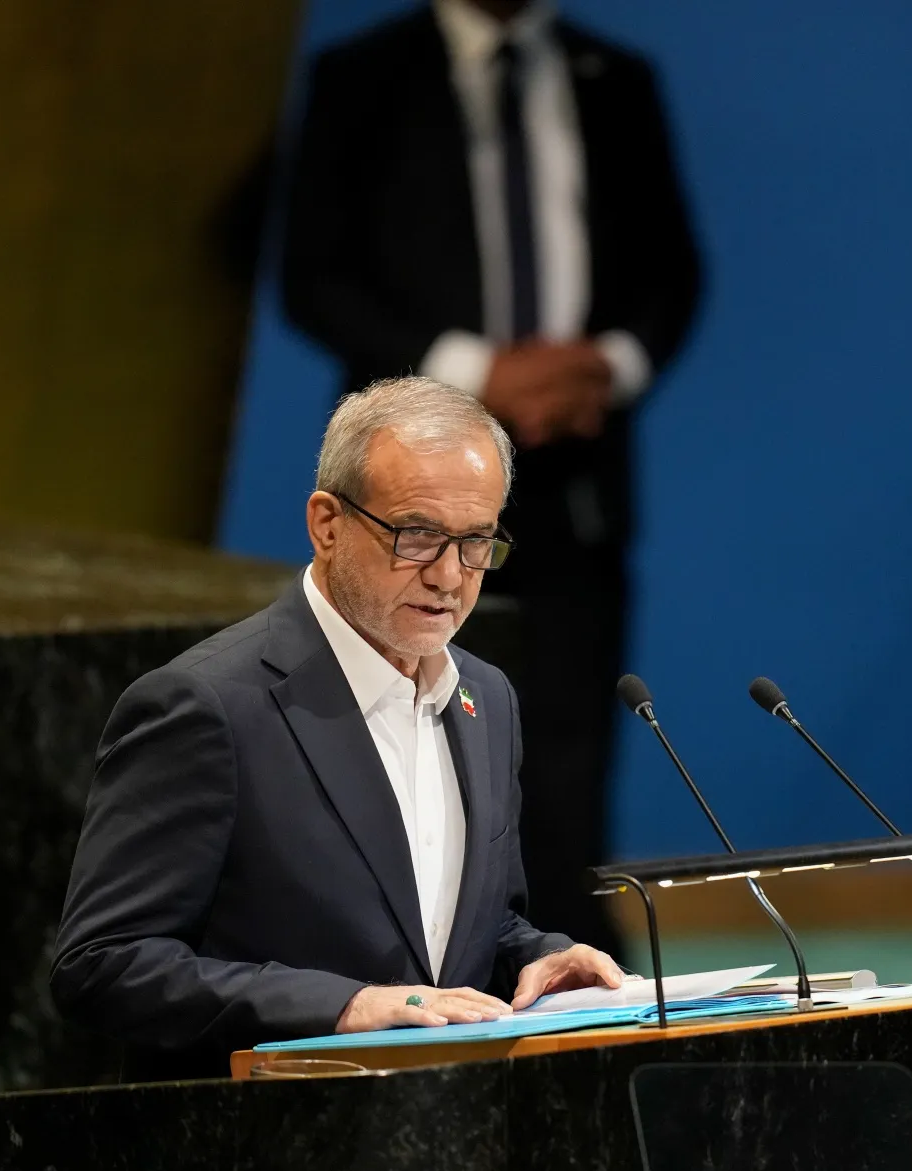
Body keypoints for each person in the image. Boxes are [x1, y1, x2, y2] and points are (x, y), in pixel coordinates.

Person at [275, 0, 702, 961]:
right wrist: (478, 378)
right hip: (405, 485)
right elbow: (315, 277)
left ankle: (565, 983)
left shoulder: (611, 77)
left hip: (575, 481)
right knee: (390, 748)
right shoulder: (364, 74)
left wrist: (607, 368)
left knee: (563, 769)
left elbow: (672, 273)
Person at [52, 378, 625, 1077]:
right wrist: (345, 1007)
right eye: (418, 536)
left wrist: (540, 958)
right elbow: (105, 964)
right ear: (327, 524)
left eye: (476, 541)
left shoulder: (486, 698)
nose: (450, 576)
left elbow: (465, 927)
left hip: (445, 1145)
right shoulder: (206, 707)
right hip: (267, 1153)